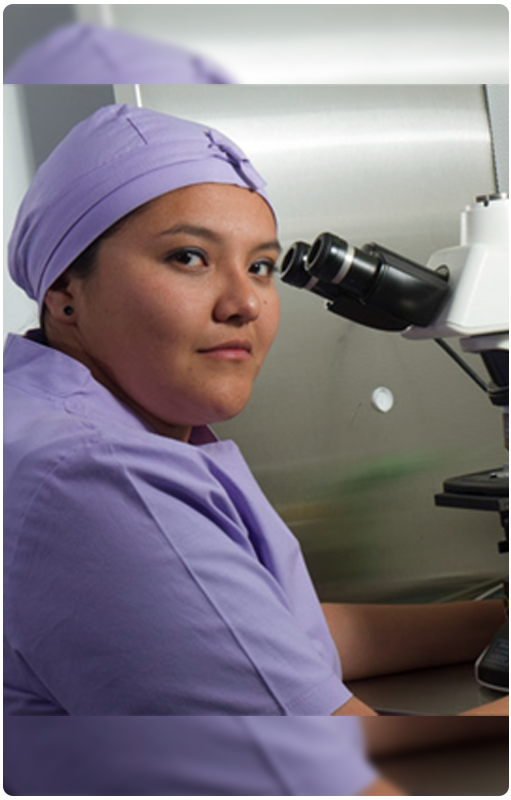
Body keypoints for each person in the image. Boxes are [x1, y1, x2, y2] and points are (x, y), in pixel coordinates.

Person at [4, 104, 507, 794]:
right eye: (188, 257)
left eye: (263, 266)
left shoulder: (60, 418)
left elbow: (263, 635)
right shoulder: (99, 478)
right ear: (65, 289)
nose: (244, 301)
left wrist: (499, 621)